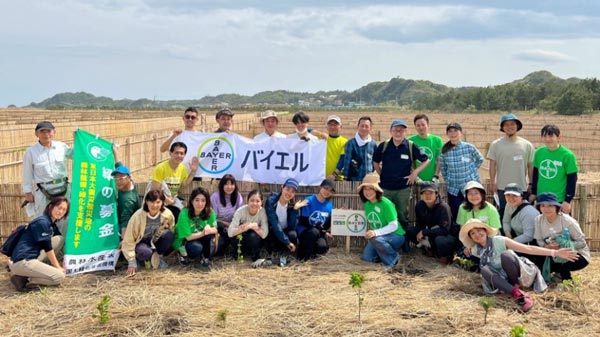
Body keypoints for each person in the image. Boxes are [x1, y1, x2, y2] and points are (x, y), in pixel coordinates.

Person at [459, 218, 578, 312]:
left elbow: (528, 248)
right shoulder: (476, 250)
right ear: (471, 238)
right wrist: (466, 248)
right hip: (502, 278)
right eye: (472, 233)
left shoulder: (499, 240)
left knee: (506, 255)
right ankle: (517, 293)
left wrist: (555, 252)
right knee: (484, 269)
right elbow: (467, 251)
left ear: (485, 230)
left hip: (519, 273)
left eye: (479, 230)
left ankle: (515, 286)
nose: (477, 234)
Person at [373, 119, 430, 231]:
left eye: (401, 130)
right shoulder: (383, 146)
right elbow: (375, 161)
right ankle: (386, 238)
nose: (398, 133)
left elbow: (426, 160)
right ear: (391, 131)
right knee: (386, 214)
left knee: (403, 215)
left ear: (405, 132)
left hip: (403, 189)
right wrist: (381, 174)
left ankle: (404, 240)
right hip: (385, 188)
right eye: (395, 130)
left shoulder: (410, 146)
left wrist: (415, 172)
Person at [9, 197, 69, 292]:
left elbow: (57, 241)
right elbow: (48, 248)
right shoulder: (42, 222)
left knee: (59, 239)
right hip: (24, 261)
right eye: (58, 207)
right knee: (59, 277)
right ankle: (24, 278)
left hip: (29, 258)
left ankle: (30, 273)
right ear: (50, 207)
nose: (60, 211)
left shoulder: (51, 224)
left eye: (64, 210)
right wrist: (57, 266)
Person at [533, 192, 590, 281]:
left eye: (550, 206)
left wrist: (563, 245)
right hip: (552, 252)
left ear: (557, 207)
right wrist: (546, 246)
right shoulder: (538, 220)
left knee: (563, 255)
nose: (546, 209)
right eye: (543, 206)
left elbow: (582, 243)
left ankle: (566, 279)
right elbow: (539, 240)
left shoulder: (567, 221)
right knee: (536, 257)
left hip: (576, 254)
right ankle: (553, 274)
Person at [22, 121, 71, 222]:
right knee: (43, 219)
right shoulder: (31, 151)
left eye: (49, 131)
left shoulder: (61, 147)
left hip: (63, 188)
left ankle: (62, 238)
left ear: (54, 132)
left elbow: (77, 154)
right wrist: (28, 192)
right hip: (43, 190)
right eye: (42, 132)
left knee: (65, 219)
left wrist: (80, 140)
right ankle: (45, 238)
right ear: (36, 134)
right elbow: (27, 173)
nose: (46, 134)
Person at [487, 113, 534, 216]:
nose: (510, 127)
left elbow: (530, 166)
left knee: (521, 214)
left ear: (517, 126)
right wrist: (492, 182)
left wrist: (531, 183)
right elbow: (492, 165)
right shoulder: (496, 145)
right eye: (506, 125)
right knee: (503, 213)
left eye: (512, 124)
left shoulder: (527, 145)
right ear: (502, 128)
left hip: (521, 187)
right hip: (502, 187)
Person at [122, 190, 175, 276]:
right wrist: (131, 260)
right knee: (145, 252)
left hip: (155, 240)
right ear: (146, 202)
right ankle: (141, 259)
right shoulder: (137, 217)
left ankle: (158, 258)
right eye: (151, 202)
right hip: (141, 241)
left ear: (162, 202)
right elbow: (129, 239)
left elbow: (171, 227)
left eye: (158, 202)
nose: (155, 205)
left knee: (169, 235)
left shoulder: (167, 214)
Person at [357, 173, 405, 269]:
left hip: (396, 236)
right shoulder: (367, 204)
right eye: (365, 189)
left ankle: (393, 260)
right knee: (366, 258)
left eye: (370, 188)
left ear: (376, 190)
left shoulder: (386, 203)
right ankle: (383, 256)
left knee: (376, 239)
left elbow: (393, 225)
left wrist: (375, 232)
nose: (367, 192)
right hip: (379, 237)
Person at [439, 122, 484, 221]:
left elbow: (480, 159)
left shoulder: (469, 147)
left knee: (473, 210)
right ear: (447, 134)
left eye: (455, 131)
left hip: (470, 186)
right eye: (450, 131)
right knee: (457, 213)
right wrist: (448, 180)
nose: (453, 133)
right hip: (454, 188)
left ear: (461, 133)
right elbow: (443, 168)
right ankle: (459, 234)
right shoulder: (444, 150)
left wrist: (471, 171)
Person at [530, 125, 578, 214]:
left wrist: (567, 200)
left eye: (551, 136)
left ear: (559, 137)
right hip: (541, 199)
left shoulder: (567, 155)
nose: (548, 139)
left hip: (558, 200)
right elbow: (536, 174)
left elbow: (572, 179)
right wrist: (533, 193)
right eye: (545, 136)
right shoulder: (538, 153)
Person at [405, 182, 457, 264]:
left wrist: (424, 232)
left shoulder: (443, 207)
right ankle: (428, 250)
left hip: (446, 235)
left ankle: (445, 256)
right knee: (409, 231)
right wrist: (421, 234)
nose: (428, 196)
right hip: (431, 233)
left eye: (431, 193)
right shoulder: (419, 206)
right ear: (421, 195)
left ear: (436, 194)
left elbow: (445, 230)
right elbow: (420, 224)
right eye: (425, 193)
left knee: (440, 240)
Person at [151, 141, 199, 221]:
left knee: (183, 216)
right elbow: (154, 190)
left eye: (181, 153)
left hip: (173, 200)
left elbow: (184, 184)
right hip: (158, 200)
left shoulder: (182, 168)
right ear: (170, 153)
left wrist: (193, 171)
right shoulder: (160, 168)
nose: (179, 156)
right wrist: (166, 199)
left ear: (184, 155)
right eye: (176, 153)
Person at [173, 187, 219, 266]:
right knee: (196, 247)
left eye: (203, 200)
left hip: (198, 237)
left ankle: (204, 257)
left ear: (206, 202)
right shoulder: (184, 214)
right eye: (197, 200)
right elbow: (188, 237)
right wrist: (205, 232)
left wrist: (208, 226)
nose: (200, 204)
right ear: (192, 201)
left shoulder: (210, 211)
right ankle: (183, 255)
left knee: (212, 238)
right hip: (184, 241)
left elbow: (215, 229)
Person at [296, 179, 335, 261]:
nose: (327, 192)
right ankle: (302, 258)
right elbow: (304, 221)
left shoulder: (330, 206)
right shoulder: (309, 200)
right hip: (305, 230)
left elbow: (326, 225)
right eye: (325, 188)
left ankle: (310, 252)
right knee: (313, 232)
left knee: (323, 247)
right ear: (320, 187)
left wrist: (326, 231)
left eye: (330, 190)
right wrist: (319, 230)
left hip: (318, 233)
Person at [228, 190, 269, 262]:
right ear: (247, 201)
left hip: (253, 239)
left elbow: (264, 235)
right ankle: (240, 253)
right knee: (235, 237)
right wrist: (247, 227)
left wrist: (253, 226)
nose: (254, 203)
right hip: (243, 236)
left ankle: (254, 255)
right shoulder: (240, 211)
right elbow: (230, 232)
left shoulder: (262, 212)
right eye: (252, 200)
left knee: (252, 235)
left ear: (261, 202)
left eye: (257, 201)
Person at [210, 174, 245, 254]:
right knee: (218, 247)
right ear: (222, 185)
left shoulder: (238, 196)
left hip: (234, 226)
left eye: (232, 184)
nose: (229, 187)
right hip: (219, 227)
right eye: (226, 184)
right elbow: (213, 218)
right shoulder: (215, 197)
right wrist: (227, 224)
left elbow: (240, 215)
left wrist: (233, 225)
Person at [264, 178, 300, 256]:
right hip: (273, 232)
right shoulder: (271, 201)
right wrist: (287, 241)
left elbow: (292, 227)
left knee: (293, 234)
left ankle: (287, 254)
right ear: (282, 188)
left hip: (285, 233)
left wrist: (295, 210)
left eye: (292, 192)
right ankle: (274, 252)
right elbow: (274, 224)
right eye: (287, 189)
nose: (289, 193)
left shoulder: (292, 205)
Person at [408, 114, 443, 182]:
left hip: (433, 180)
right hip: (415, 180)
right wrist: (415, 176)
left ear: (428, 125)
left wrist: (436, 176)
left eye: (423, 125)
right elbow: (408, 161)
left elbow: (440, 159)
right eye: (418, 125)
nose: (421, 127)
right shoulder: (410, 141)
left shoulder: (437, 140)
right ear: (415, 127)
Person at [341, 116, 378, 182]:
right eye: (362, 126)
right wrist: (345, 178)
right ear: (358, 127)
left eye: (367, 126)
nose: (364, 128)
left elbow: (374, 162)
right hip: (354, 180)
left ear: (371, 128)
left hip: (368, 181)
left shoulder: (373, 144)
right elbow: (347, 162)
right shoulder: (351, 143)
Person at [111, 164, 140, 238]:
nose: (118, 182)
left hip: (127, 227)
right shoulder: (128, 186)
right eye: (115, 179)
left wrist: (124, 240)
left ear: (129, 178)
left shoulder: (129, 200)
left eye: (121, 179)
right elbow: (118, 164)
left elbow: (125, 220)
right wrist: (113, 152)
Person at [319, 115, 348, 180]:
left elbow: (343, 159)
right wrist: (319, 133)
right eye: (330, 124)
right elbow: (303, 132)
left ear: (341, 127)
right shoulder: (320, 139)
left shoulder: (345, 142)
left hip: (337, 179)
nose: (332, 127)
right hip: (320, 178)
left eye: (335, 125)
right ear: (326, 127)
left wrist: (334, 174)